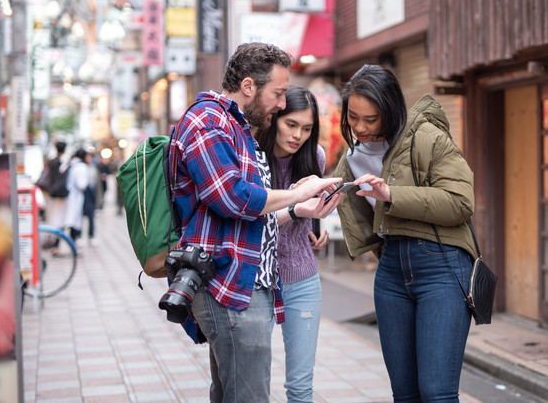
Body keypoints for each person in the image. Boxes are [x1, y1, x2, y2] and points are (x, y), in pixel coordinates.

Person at [168, 42, 342, 403]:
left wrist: (301, 212)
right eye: (278, 94)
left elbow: (252, 213)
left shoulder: (236, 126)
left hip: (246, 284)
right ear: (249, 86)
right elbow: (233, 198)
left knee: (232, 392)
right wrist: (298, 194)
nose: (282, 103)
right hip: (228, 285)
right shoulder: (208, 121)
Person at [333, 65, 477, 403]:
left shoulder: (427, 137)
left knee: (437, 392)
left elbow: (461, 201)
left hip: (442, 266)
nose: (360, 127)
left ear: (391, 109)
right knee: (405, 394)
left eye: (371, 119)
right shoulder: (352, 157)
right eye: (353, 117)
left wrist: (391, 195)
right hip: (391, 270)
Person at [255, 86, 329, 403]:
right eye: (291, 124)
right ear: (275, 119)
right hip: (256, 282)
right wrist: (296, 209)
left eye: (307, 128)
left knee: (300, 386)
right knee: (252, 383)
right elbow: (251, 221)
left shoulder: (315, 157)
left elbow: (309, 209)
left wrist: (314, 225)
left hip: (302, 278)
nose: (298, 135)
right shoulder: (251, 157)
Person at [64, 149, 90, 243]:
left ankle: (71, 245)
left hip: (70, 196)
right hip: (75, 197)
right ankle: (73, 245)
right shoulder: (81, 167)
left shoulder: (72, 164)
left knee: (70, 220)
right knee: (73, 221)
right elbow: (81, 184)